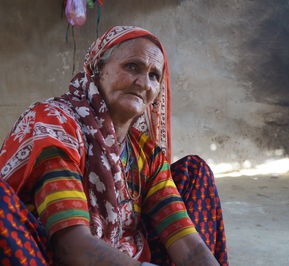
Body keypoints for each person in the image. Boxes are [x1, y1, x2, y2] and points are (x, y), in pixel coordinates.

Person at [0, 26, 228, 266]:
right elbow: (71, 247)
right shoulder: (55, 123)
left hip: (124, 259)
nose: (143, 83)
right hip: (46, 258)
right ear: (98, 70)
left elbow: (188, 245)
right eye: (132, 67)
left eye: (154, 75)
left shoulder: (146, 154)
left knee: (195, 171)